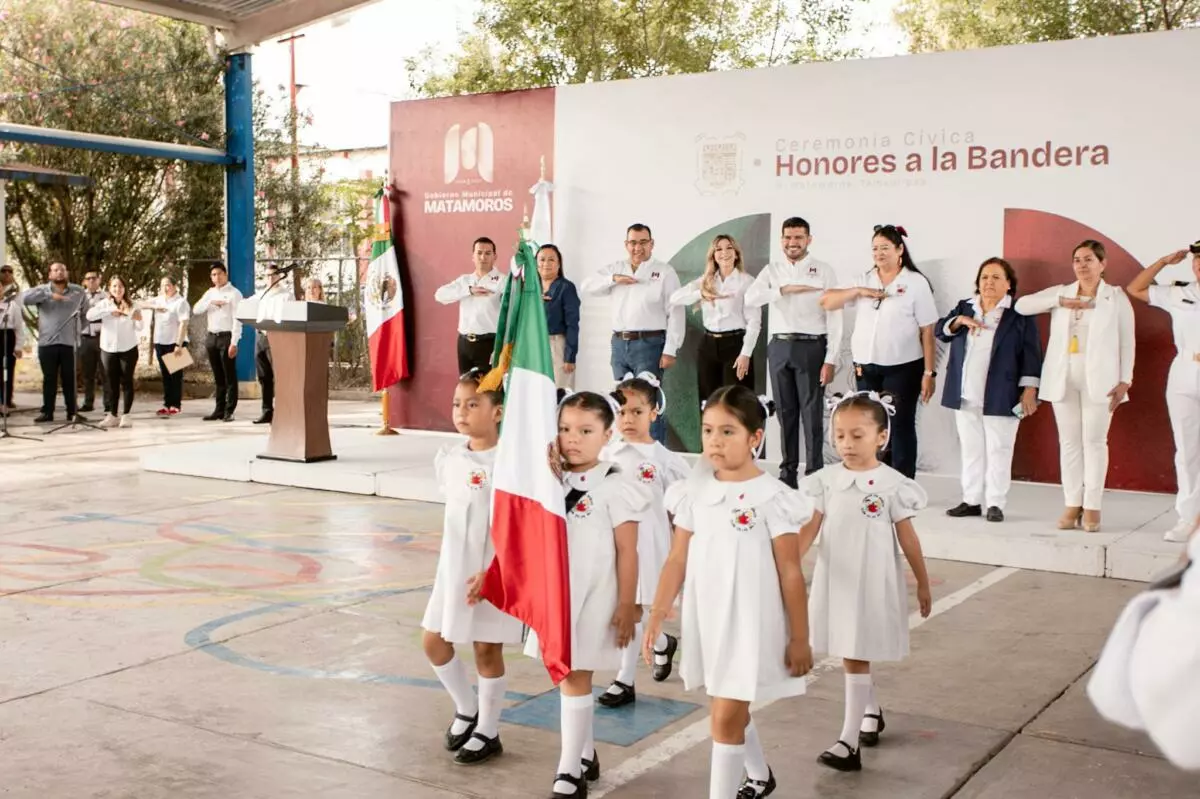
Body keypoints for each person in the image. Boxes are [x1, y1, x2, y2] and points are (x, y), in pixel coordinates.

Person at [646, 385, 814, 798]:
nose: (714, 442)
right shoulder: (693, 492)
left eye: (727, 432)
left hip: (752, 621)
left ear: (755, 438)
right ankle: (759, 775)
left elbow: (790, 572)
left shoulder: (774, 498)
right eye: (707, 431)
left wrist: (800, 637)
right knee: (726, 705)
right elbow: (677, 559)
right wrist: (656, 612)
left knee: (723, 718)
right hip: (709, 616)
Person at [518, 391, 648, 798]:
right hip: (557, 597)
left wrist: (627, 604)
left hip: (596, 596)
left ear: (607, 435)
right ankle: (585, 753)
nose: (572, 438)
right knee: (564, 675)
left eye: (586, 431)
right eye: (565, 429)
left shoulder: (616, 485)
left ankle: (568, 770)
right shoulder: (550, 480)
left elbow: (628, 551)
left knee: (575, 675)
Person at [799, 392, 932, 772]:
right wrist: (786, 565)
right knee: (849, 648)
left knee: (856, 652)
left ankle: (848, 740)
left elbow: (908, 537)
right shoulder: (825, 480)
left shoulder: (891, 484)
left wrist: (922, 582)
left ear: (882, 437)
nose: (846, 444)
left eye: (857, 435)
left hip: (872, 579)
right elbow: (810, 528)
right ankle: (870, 710)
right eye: (839, 435)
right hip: (836, 577)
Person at [427, 371, 523, 766]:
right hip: (454, 568)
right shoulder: (450, 458)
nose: (462, 412)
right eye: (457, 404)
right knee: (433, 641)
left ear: (497, 411)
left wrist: (495, 573)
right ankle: (467, 708)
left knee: (486, 649)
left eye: (473, 404)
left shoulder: (510, 464)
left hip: (491, 570)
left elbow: (516, 528)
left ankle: (489, 729)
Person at [1015, 240, 1135, 533]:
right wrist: (1059, 302)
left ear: (1103, 264)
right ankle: (1072, 502)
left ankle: (1092, 505)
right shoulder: (1062, 293)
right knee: (1069, 443)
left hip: (1102, 381)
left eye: (1089, 259)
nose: (1082, 265)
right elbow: (1021, 305)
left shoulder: (1115, 297)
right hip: (1063, 378)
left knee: (1094, 443)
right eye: (1077, 260)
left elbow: (1127, 341)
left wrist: (1125, 380)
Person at [596, 373, 689, 708]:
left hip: (649, 544)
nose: (628, 419)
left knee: (635, 610)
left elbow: (683, 508)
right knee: (626, 610)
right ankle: (662, 644)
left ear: (654, 413)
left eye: (637, 412)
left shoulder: (666, 460)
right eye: (621, 412)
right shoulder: (606, 453)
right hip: (613, 544)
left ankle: (625, 679)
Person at [821, 225, 938, 479]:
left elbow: (927, 331)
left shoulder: (916, 283)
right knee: (870, 424)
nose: (879, 253)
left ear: (899, 250)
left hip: (903, 366)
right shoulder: (864, 279)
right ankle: (874, 477)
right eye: (875, 248)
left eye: (885, 247)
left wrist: (930, 372)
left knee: (901, 424)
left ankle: (903, 482)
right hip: (866, 366)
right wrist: (859, 291)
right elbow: (827, 300)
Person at [937, 258, 1043, 522]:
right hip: (965, 393)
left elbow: (1032, 354)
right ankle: (971, 500)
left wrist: (1029, 390)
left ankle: (995, 502)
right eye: (984, 277)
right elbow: (941, 330)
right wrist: (958, 321)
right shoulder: (966, 307)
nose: (989, 282)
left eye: (996, 277)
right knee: (971, 449)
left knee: (999, 449)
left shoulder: (1018, 314)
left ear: (1008, 284)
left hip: (1001, 394)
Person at [746, 217, 843, 486]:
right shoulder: (772, 270)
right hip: (779, 345)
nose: (793, 242)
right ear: (781, 240)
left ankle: (815, 474)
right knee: (786, 413)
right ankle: (787, 473)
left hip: (812, 346)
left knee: (812, 414)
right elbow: (750, 298)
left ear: (808, 239)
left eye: (798, 237)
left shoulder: (823, 270)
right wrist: (783, 290)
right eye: (788, 237)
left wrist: (831, 358)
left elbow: (835, 317)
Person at [580, 224, 684, 444]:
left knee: (648, 402)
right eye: (633, 243)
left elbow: (675, 311)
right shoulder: (617, 268)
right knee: (622, 401)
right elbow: (587, 286)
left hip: (650, 343)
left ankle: (653, 459)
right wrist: (613, 279)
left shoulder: (664, 272)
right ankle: (628, 453)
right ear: (627, 245)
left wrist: (670, 349)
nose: (638, 248)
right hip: (620, 343)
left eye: (643, 242)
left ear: (651, 244)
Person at [1126, 241, 1200, 542]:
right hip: (1184, 372)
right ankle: (1189, 518)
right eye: (1196, 260)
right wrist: (1163, 262)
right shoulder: (1179, 293)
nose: (1198, 265)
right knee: (1187, 451)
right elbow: (1136, 289)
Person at [671, 234, 762, 407]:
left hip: (736, 346)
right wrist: (701, 294)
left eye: (729, 248)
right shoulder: (706, 281)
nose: (724, 252)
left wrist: (745, 354)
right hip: (708, 345)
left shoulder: (747, 282)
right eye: (718, 249)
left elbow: (754, 322)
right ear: (713, 255)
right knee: (708, 403)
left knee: (736, 403)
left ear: (736, 254)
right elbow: (675, 298)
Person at [22, 263, 86, 423]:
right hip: (47, 343)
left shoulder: (78, 291)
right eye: (55, 270)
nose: (59, 273)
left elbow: (86, 314)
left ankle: (73, 412)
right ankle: (47, 412)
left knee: (69, 379)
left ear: (67, 273)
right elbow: (23, 298)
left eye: (62, 270)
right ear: (50, 274)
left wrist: (77, 330)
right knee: (49, 378)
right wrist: (49, 296)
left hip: (69, 343)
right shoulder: (42, 290)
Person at [434, 237, 504, 375]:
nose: (483, 257)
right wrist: (469, 291)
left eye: (487, 253)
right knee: (466, 388)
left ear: (495, 256)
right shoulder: (465, 280)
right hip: (464, 343)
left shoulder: (503, 281)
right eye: (479, 253)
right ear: (473, 256)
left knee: (489, 392)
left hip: (490, 343)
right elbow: (439, 295)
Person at [86, 275, 145, 428]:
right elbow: (89, 315)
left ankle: (126, 415)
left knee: (126, 381)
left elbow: (140, 327)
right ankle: (112, 415)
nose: (117, 289)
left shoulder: (133, 304)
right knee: (111, 383)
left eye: (120, 286)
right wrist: (109, 312)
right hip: (108, 348)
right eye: (114, 286)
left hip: (128, 348)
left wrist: (133, 315)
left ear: (124, 289)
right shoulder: (104, 304)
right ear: (109, 289)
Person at [193, 263, 243, 422]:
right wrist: (211, 302)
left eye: (219, 274)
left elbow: (238, 319)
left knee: (229, 375)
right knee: (218, 376)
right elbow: (196, 309)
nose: (217, 277)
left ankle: (230, 410)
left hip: (226, 337)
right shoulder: (210, 293)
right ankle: (219, 409)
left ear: (226, 274)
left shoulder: (234, 294)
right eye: (214, 275)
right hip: (212, 337)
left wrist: (234, 342)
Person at [537, 244, 581, 389]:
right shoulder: (530, 289)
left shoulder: (566, 287)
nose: (546, 264)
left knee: (559, 392)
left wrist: (569, 356)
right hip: (535, 345)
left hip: (556, 345)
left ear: (559, 264)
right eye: (542, 259)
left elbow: (572, 324)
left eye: (551, 260)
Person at [253, 265, 290, 425]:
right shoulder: (262, 294)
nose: (270, 278)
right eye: (267, 275)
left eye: (273, 275)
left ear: (279, 276)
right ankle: (267, 411)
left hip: (277, 337)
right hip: (261, 337)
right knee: (264, 376)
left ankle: (284, 411)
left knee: (279, 376)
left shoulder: (286, 295)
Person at [149, 276, 190, 417]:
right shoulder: (159, 300)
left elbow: (184, 323)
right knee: (166, 375)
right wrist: (154, 306)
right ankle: (167, 404)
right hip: (160, 342)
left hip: (175, 342)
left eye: (167, 285)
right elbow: (142, 304)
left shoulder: (180, 302)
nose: (165, 288)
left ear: (174, 286)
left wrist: (178, 345)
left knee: (175, 376)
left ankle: (176, 405)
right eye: (162, 285)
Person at [78, 271, 109, 414]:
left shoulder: (106, 296)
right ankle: (88, 402)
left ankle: (108, 403)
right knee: (88, 373)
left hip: (102, 338)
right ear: (84, 281)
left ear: (99, 280)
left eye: (94, 278)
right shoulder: (80, 296)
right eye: (88, 278)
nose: (91, 281)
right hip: (85, 337)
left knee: (106, 372)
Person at [0, 264, 24, 412]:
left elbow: (19, 327)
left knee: (7, 369)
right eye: (4, 271)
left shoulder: (12, 304)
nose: (7, 273)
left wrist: (19, 346)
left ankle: (6, 401)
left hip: (7, 337)